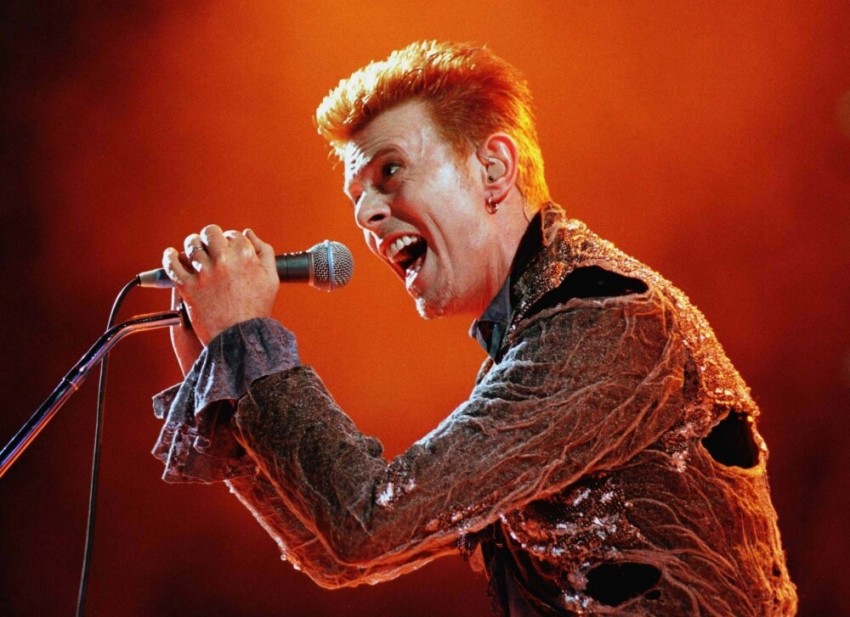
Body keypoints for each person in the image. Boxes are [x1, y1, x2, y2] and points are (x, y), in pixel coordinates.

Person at [152, 41, 797, 616]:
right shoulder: (532, 331)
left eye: (390, 171)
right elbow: (344, 556)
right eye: (357, 200)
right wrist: (229, 380)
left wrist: (247, 344)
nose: (368, 215)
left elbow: (369, 522)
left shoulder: (609, 321)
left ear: (493, 170)